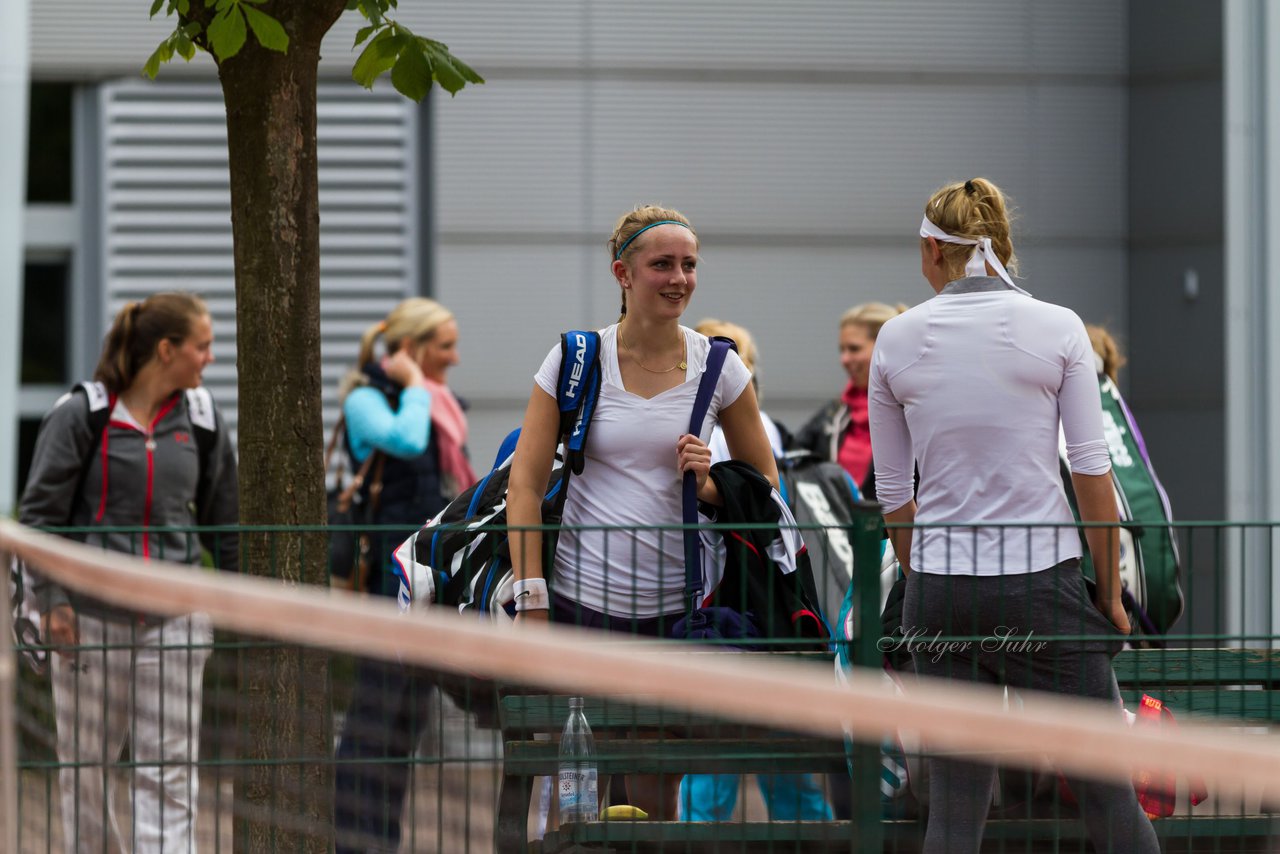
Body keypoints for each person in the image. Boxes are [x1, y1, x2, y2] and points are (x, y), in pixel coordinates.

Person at [868, 177, 1159, 853]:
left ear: (931, 251)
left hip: (938, 594)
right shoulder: (1057, 326)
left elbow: (892, 493)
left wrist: (924, 580)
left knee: (956, 804)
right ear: (1000, 245)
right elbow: (1092, 471)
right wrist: (1111, 595)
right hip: (1040, 588)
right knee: (1106, 793)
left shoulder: (896, 337)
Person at [506, 205, 780, 819]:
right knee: (578, 788)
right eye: (662, 264)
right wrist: (532, 597)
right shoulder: (576, 360)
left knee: (655, 790)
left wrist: (711, 489)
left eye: (689, 265)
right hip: (580, 603)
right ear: (622, 274)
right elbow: (523, 486)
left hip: (678, 611)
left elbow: (766, 483)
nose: (679, 278)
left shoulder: (720, 365)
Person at [19, 292, 238, 853]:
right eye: (202, 346)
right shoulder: (81, 416)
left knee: (169, 771)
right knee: (86, 770)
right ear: (167, 350)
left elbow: (225, 522)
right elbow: (39, 517)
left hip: (176, 621)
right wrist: (54, 600)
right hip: (88, 621)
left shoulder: (203, 419)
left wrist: (245, 607)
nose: (209, 358)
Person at [332, 297, 476, 853]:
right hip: (381, 579)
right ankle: (351, 841)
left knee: (405, 722)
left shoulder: (445, 405)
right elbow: (407, 441)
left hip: (425, 576)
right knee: (373, 713)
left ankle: (381, 842)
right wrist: (414, 382)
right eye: (445, 346)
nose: (456, 357)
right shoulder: (367, 400)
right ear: (413, 349)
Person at [679, 318, 833, 824]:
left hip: (733, 592)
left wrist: (707, 490)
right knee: (776, 753)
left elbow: (753, 497)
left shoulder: (734, 424)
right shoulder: (755, 424)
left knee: (722, 754)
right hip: (762, 597)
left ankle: (699, 831)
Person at [793, 302, 905, 499]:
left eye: (854, 349)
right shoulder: (833, 413)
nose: (844, 359)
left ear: (885, 348)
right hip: (838, 528)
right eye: (842, 350)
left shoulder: (913, 410)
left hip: (897, 528)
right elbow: (791, 458)